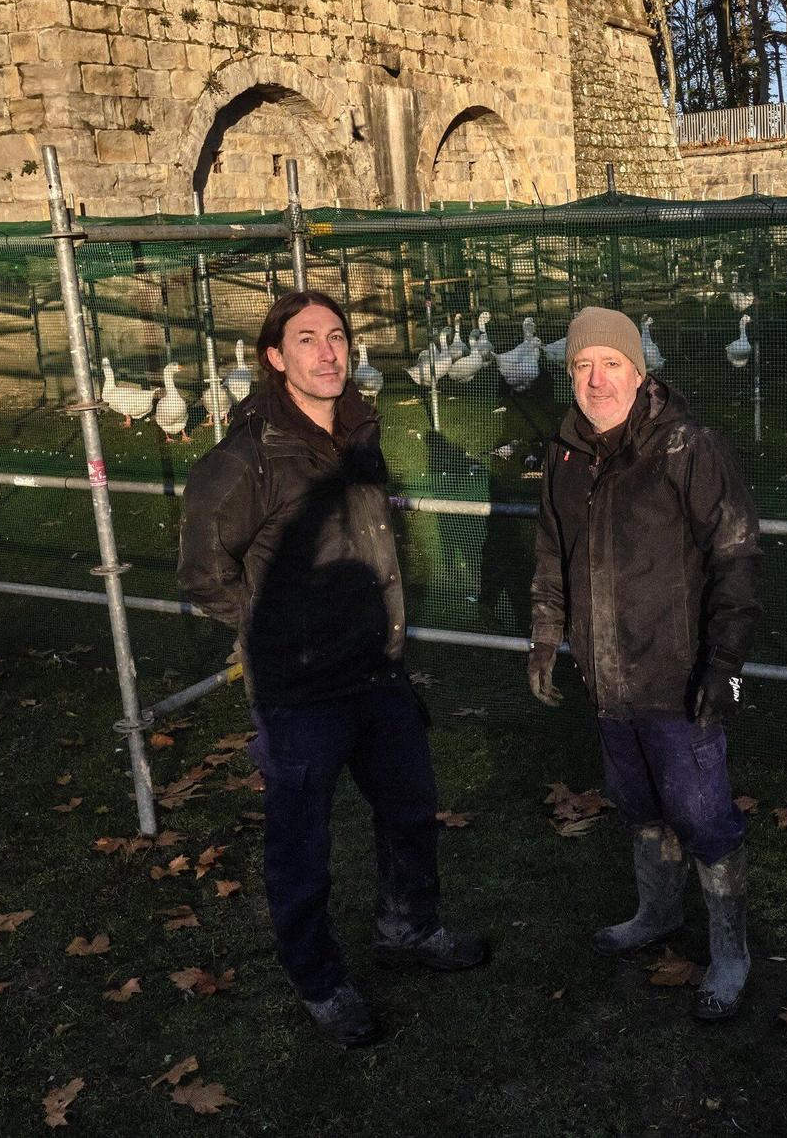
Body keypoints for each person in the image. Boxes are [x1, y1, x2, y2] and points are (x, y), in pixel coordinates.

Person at [179, 289, 487, 1048]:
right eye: (307, 339)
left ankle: (408, 928)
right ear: (275, 357)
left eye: (338, 336)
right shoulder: (244, 459)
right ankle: (317, 976)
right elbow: (202, 573)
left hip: (377, 674)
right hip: (303, 694)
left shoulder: (358, 435)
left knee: (411, 811)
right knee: (301, 842)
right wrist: (274, 634)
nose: (328, 352)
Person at [528, 306, 763, 1019]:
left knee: (703, 814)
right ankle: (656, 912)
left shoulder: (686, 448)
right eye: (582, 365)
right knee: (639, 805)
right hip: (607, 678)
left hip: (677, 676)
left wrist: (726, 663)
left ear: (639, 369)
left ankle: (731, 949)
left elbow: (738, 556)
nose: (597, 379)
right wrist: (546, 639)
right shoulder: (566, 454)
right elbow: (550, 557)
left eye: (611, 363)